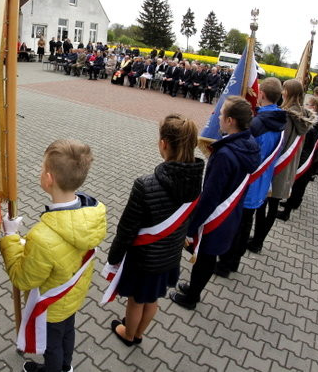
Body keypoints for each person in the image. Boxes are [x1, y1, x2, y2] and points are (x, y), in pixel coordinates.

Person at [0, 141, 107, 372]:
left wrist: (10, 237)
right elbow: (61, 252)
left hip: (52, 306)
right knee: (68, 331)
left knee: (52, 346)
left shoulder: (43, 236)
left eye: (41, 169)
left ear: (49, 179)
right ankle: (66, 367)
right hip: (73, 295)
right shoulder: (92, 213)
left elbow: (23, 279)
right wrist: (28, 245)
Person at [105, 115, 204, 345]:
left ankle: (128, 334)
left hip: (143, 259)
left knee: (136, 301)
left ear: (164, 144)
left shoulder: (145, 184)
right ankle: (139, 332)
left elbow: (126, 229)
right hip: (169, 256)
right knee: (152, 299)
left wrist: (114, 258)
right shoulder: (196, 180)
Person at [168, 97, 259, 309]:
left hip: (216, 215)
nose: (217, 116)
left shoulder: (225, 154)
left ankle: (192, 297)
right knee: (209, 255)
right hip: (232, 211)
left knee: (205, 257)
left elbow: (210, 195)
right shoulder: (249, 144)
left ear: (230, 120)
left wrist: (191, 227)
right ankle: (193, 288)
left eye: (221, 114)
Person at [216, 78, 285, 274]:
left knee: (235, 226)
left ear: (261, 94)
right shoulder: (280, 119)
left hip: (247, 184)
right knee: (245, 224)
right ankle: (234, 262)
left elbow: (245, 153)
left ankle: (225, 265)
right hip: (261, 184)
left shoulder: (258, 123)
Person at [251, 79, 313, 249]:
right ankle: (259, 239)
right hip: (288, 167)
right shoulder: (302, 114)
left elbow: (280, 143)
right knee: (273, 205)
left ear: (290, 93)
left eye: (285, 90)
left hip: (277, 165)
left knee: (265, 205)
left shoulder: (288, 116)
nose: (282, 93)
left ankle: (257, 241)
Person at [277, 94, 318, 221]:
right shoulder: (317, 119)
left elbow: (307, 141)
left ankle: (287, 211)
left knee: (298, 184)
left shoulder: (315, 123)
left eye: (308, 105)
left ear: (314, 107)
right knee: (297, 184)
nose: (306, 107)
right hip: (307, 155)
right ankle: (290, 203)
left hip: (305, 157)